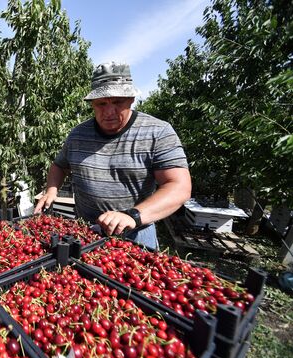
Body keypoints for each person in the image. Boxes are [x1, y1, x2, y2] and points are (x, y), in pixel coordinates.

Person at [34, 62, 191, 250]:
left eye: (117, 102)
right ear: (92, 103)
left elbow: (179, 186)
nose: (109, 112)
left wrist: (133, 215)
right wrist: (52, 190)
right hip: (85, 234)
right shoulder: (78, 135)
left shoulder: (157, 132)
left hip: (136, 234)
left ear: (131, 98)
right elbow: (60, 165)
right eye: (101, 104)